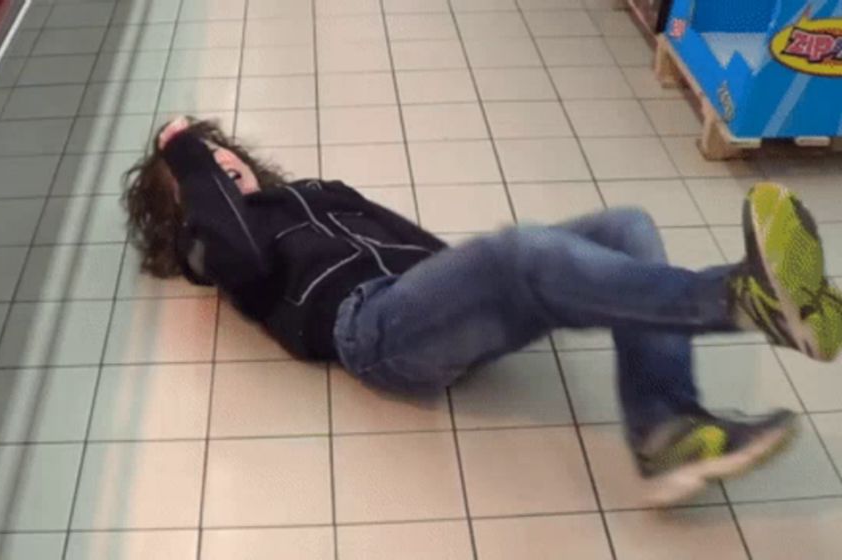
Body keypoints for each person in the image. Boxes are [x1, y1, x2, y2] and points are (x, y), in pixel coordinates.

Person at [124, 116, 842, 506]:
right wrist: (182, 152)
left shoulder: (315, 191)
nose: (220, 167)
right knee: (520, 250)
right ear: (185, 208)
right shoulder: (214, 252)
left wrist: (475, 281)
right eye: (200, 173)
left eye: (222, 155)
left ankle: (667, 427)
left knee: (626, 224)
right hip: (372, 331)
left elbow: (416, 242)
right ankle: (738, 300)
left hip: (427, 304)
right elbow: (242, 253)